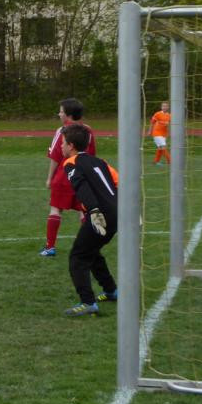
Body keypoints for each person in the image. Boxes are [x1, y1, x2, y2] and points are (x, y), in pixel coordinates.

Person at [60, 124, 118, 317]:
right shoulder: (99, 161)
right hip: (117, 212)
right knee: (92, 251)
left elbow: (81, 186)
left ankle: (88, 302)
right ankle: (111, 290)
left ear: (71, 145)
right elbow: (118, 182)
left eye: (62, 143)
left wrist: (93, 210)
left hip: (100, 214)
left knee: (78, 256)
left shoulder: (71, 162)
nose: (61, 147)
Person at [40, 98, 96, 257]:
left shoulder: (62, 131)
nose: (59, 114)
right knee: (83, 211)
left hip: (64, 176)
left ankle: (50, 247)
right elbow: (92, 154)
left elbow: (55, 155)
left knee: (56, 209)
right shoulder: (88, 130)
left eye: (61, 111)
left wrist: (49, 178)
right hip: (83, 176)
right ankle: (88, 248)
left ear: (69, 115)